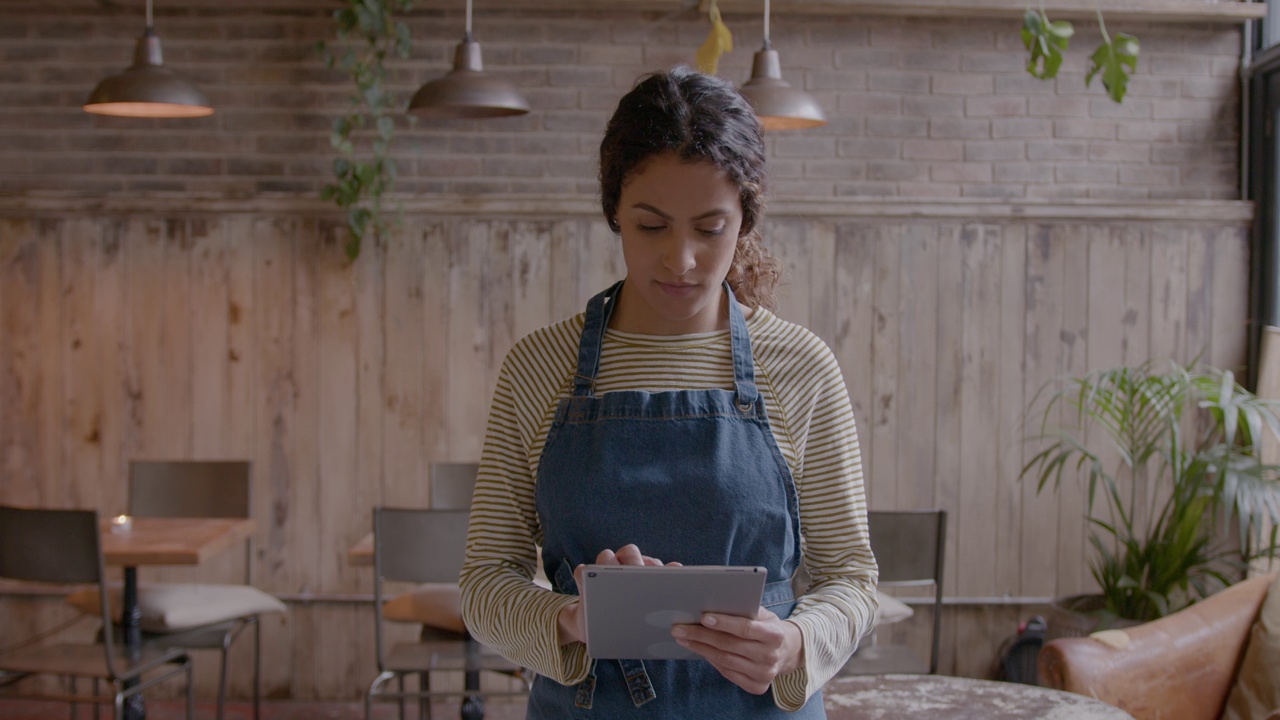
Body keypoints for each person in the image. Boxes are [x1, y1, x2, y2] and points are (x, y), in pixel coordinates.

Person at [459, 65, 878, 717]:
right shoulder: (539, 368)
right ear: (614, 214)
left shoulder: (801, 367)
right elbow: (485, 582)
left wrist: (796, 641)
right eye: (651, 226)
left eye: (709, 228)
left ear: (745, 219)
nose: (680, 259)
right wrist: (570, 619)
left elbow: (852, 577)